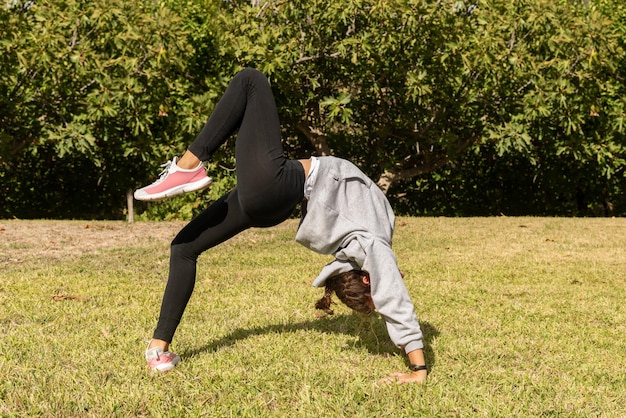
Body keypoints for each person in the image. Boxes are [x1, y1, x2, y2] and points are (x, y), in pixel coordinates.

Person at [135, 68, 428, 384]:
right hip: (269, 203)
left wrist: (419, 369)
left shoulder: (374, 241)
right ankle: (158, 350)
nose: (401, 276)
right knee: (184, 247)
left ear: (369, 278)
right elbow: (383, 288)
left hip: (278, 185)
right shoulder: (359, 245)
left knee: (251, 80)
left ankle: (186, 167)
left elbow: (392, 297)